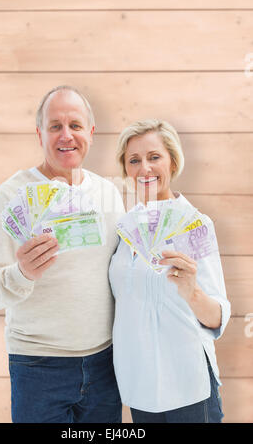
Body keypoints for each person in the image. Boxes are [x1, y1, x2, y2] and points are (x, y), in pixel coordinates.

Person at [0, 85, 125, 423]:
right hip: (37, 366)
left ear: (91, 132)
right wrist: (22, 272)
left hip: (105, 364)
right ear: (39, 134)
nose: (66, 135)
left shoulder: (109, 193)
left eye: (75, 125)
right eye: (55, 126)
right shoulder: (11, 196)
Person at [109, 119, 231, 423]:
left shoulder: (196, 225)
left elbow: (216, 316)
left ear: (172, 162)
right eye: (134, 160)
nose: (144, 168)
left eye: (154, 157)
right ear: (126, 169)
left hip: (188, 385)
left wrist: (192, 289)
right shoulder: (123, 231)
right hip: (140, 385)